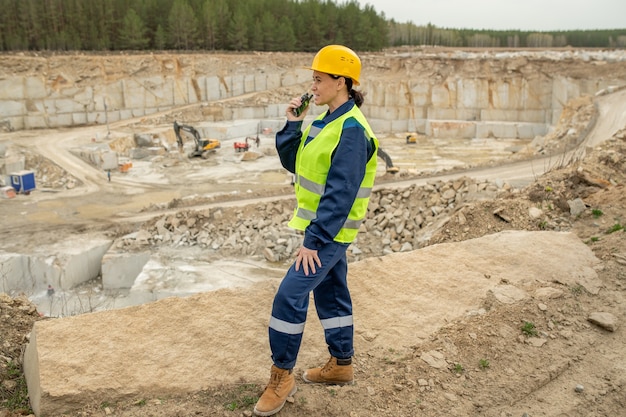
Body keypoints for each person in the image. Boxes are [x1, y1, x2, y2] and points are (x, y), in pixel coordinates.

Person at [254, 45, 379, 417]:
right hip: (326, 231)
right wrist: (293, 124)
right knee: (331, 291)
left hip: (330, 232)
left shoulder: (352, 130)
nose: (313, 84)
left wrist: (314, 241)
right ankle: (341, 365)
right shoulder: (325, 120)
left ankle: (281, 377)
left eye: (319, 78)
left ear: (341, 82)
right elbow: (297, 163)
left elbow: (341, 194)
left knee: (288, 297)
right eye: (314, 78)